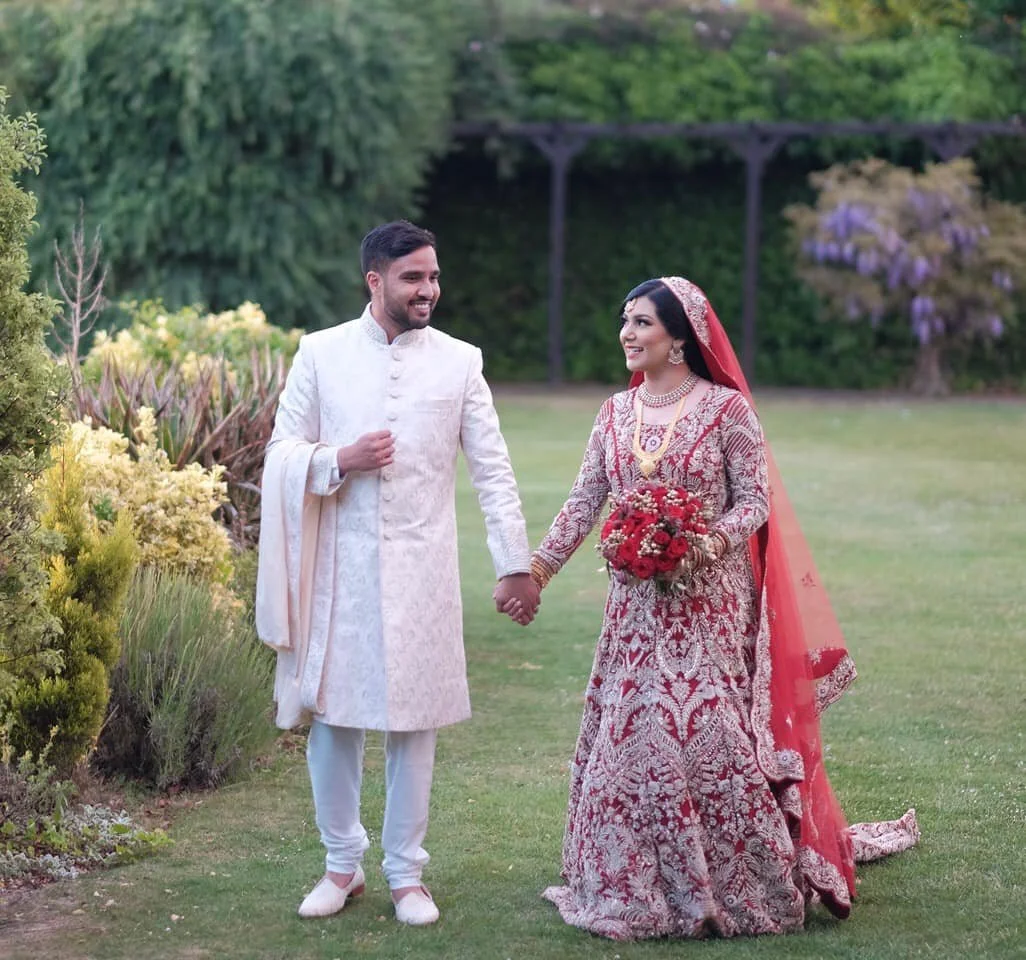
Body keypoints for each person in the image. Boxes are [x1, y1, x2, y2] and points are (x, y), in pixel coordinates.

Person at [510, 276, 918, 941]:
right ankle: (630, 885)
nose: (628, 334)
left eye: (642, 323)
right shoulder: (614, 414)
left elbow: (755, 502)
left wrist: (704, 545)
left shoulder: (727, 411)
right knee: (631, 743)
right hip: (634, 616)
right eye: (625, 321)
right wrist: (536, 571)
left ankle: (738, 883)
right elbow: (586, 501)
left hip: (711, 608)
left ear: (679, 338)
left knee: (713, 741)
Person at [255, 220, 540, 927]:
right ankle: (340, 866)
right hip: (339, 568)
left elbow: (494, 471)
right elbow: (280, 451)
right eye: (413, 278)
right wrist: (338, 460)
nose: (429, 290)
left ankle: (408, 876)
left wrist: (514, 565)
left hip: (423, 567)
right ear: (374, 281)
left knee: (415, 722)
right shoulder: (320, 354)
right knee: (336, 719)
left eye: (434, 277)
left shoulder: (460, 361)